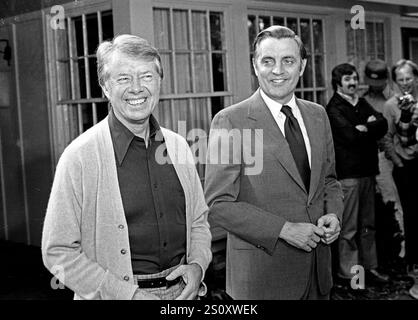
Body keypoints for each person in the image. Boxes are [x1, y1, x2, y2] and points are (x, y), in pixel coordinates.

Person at [41, 34, 212, 300]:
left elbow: (199, 221)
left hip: (184, 295)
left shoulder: (178, 146)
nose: (136, 88)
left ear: (159, 82)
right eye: (123, 78)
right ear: (105, 87)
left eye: (146, 76)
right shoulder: (79, 157)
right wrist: (127, 294)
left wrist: (198, 265)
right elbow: (58, 252)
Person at [204, 25, 344, 300]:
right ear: (255, 66)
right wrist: (284, 230)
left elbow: (329, 181)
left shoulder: (318, 115)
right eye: (268, 61)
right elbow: (218, 205)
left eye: (288, 61)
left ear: (302, 66)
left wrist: (334, 214)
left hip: (319, 276)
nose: (278, 70)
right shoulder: (230, 120)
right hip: (263, 280)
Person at [326, 63, 389, 287]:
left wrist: (366, 128)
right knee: (349, 228)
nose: (353, 83)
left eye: (354, 78)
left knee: (367, 225)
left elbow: (383, 124)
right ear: (337, 84)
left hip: (368, 172)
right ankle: (351, 276)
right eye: (347, 80)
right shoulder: (334, 108)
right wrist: (365, 127)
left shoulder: (361, 102)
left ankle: (369, 268)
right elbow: (351, 137)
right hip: (348, 176)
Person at [382, 59, 418, 299]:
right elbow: (386, 137)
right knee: (413, 215)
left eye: (409, 78)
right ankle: (414, 267)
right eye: (400, 79)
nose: (405, 83)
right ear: (395, 82)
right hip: (406, 167)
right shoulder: (390, 105)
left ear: (415, 78)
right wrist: (399, 162)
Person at [363, 59, 404, 268]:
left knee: (395, 203)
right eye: (372, 81)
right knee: (377, 208)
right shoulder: (364, 99)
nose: (375, 86)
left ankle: (402, 252)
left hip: (392, 158)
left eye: (379, 82)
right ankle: (386, 254)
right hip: (371, 157)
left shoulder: (395, 100)